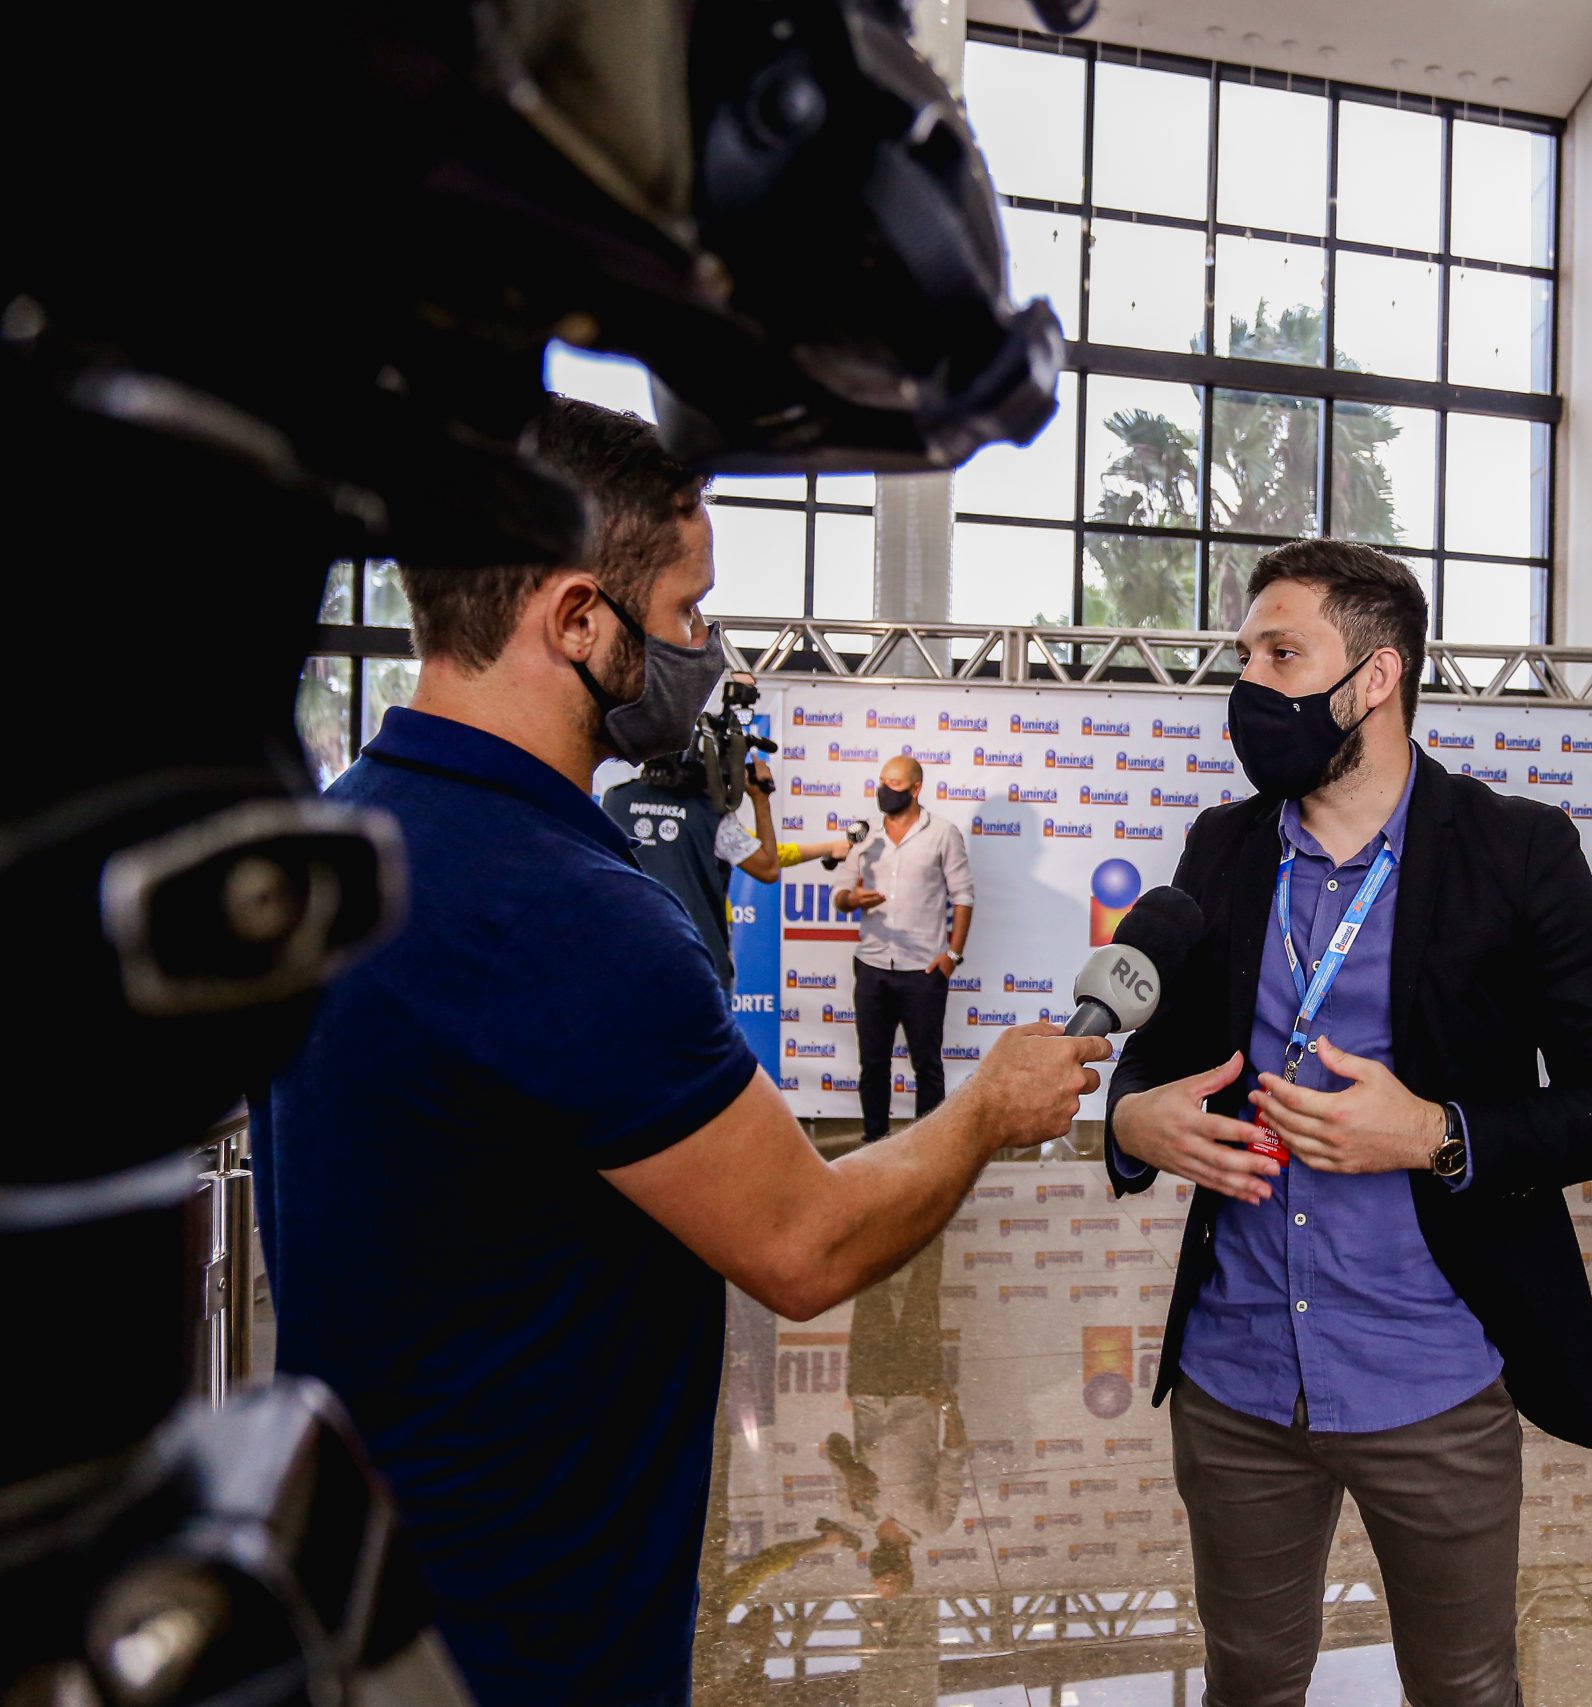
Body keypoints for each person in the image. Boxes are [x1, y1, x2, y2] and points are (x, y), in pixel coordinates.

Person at [250, 397, 1107, 1707]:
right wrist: (990, 1102)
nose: (706, 649)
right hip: (534, 1634)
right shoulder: (571, 911)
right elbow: (806, 1245)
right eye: (689, 611)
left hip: (368, 1592)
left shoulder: (342, 838)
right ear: (577, 619)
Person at [1102, 539, 1592, 1707]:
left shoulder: (1518, 851)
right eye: (1243, 656)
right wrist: (1132, 1120)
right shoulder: (1222, 846)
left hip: (1433, 1376)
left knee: (1464, 1686)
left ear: (1375, 676)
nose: (1246, 684)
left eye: (1279, 654)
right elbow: (1158, 1056)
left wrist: (1432, 1136)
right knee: (1248, 1681)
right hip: (1234, 1378)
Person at [603, 675, 852, 988]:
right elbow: (767, 866)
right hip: (697, 962)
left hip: (626, 956)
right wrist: (760, 798)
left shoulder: (615, 800)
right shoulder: (710, 813)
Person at [835, 751, 974, 1141]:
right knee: (873, 1064)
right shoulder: (864, 835)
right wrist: (851, 899)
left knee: (927, 1066)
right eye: (881, 782)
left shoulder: (942, 833)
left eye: (893, 784)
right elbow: (840, 893)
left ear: (915, 789)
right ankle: (874, 1142)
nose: (884, 790)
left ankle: (929, 1147)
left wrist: (951, 956)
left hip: (923, 971)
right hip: (872, 966)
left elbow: (963, 896)